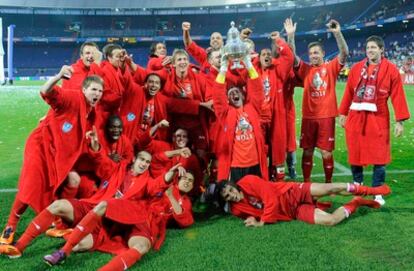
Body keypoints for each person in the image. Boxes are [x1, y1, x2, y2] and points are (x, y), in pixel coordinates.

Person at [0, 68, 104, 245]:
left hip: (58, 154)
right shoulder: (72, 97)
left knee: (66, 182)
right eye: (94, 89)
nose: (97, 93)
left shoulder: (91, 112)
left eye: (100, 91)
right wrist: (57, 76)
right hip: (40, 146)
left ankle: (58, 223)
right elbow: (45, 91)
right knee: (30, 185)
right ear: (84, 89)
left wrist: (93, 144)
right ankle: (10, 226)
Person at [41, 168, 194, 270]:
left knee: (141, 247)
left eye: (190, 181)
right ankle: (63, 252)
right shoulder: (164, 185)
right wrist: (168, 178)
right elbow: (157, 184)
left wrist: (171, 196)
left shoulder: (185, 202)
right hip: (134, 211)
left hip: (147, 224)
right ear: (177, 179)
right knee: (103, 205)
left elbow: (185, 220)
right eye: (185, 178)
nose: (187, 181)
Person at [338, 35, 410, 205]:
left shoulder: (391, 69)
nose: (370, 50)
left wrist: (399, 121)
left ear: (381, 50)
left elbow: (397, 95)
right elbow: (349, 91)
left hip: (378, 117)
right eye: (368, 48)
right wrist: (343, 113)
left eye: (373, 47)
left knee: (380, 155)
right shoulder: (356, 68)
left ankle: (377, 191)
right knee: (355, 151)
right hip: (356, 116)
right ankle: (358, 184)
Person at [286, 18, 349, 183]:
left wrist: (337, 34)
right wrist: (290, 36)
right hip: (308, 117)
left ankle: (328, 184)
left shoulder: (330, 68)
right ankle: (307, 182)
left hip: (326, 116)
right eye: (311, 53)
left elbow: (344, 53)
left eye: (316, 52)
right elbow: (291, 57)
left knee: (326, 153)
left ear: (322, 53)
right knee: (307, 151)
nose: (313, 55)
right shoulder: (305, 69)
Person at [218, 175, 391, 227]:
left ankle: (373, 190)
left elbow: (271, 198)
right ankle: (357, 202)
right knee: (330, 221)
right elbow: (247, 216)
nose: (231, 194)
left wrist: (262, 221)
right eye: (227, 195)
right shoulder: (237, 209)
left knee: (328, 188)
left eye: (230, 189)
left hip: (292, 193)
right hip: (293, 212)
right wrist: (253, 220)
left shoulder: (248, 181)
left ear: (234, 185)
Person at [211, 53, 268, 183]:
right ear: (228, 99)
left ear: (243, 96)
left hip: (255, 162)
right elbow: (217, 95)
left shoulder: (252, 108)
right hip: (236, 165)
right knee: (237, 198)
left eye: (237, 92)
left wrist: (248, 64)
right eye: (230, 94)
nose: (234, 94)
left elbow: (257, 88)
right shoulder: (226, 113)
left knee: (256, 196)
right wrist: (224, 68)